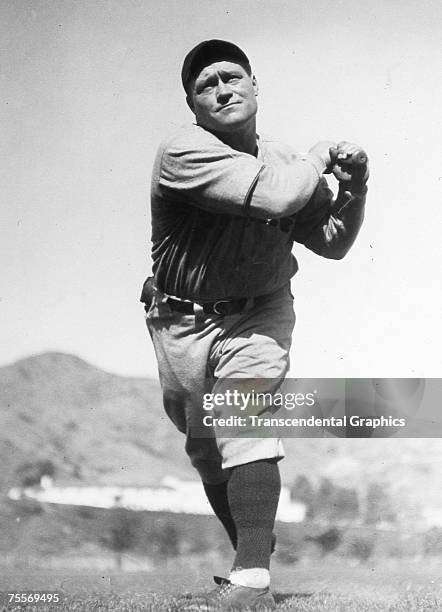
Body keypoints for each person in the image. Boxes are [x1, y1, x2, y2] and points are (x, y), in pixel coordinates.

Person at [140, 39, 369, 611]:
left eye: (232, 75)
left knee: (241, 416)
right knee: (207, 450)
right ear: (192, 105)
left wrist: (357, 190)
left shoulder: (286, 159)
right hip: (181, 320)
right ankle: (252, 551)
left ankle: (250, 578)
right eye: (206, 84)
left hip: (261, 310)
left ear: (254, 87)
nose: (222, 87)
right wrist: (317, 163)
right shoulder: (184, 151)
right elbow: (274, 194)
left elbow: (333, 243)